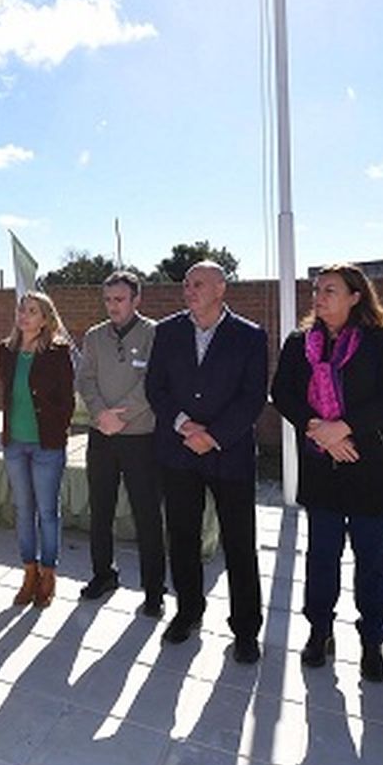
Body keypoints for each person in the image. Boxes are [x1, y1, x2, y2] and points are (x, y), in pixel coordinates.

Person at [272, 264, 383, 682]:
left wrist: (344, 429)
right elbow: (283, 394)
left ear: (355, 296)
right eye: (317, 289)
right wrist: (320, 430)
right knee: (322, 557)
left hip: (371, 465)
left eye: (330, 290)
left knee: (371, 558)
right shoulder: (300, 343)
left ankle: (372, 640)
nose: (319, 296)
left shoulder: (380, 342)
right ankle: (320, 631)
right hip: (321, 467)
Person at [146, 261, 269, 665]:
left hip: (229, 454)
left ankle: (246, 629)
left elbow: (252, 397)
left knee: (239, 544)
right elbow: (155, 388)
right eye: (186, 283)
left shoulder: (249, 336)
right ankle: (188, 611)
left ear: (221, 289)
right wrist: (184, 426)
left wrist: (213, 436)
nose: (189, 289)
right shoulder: (167, 332)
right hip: (178, 452)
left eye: (198, 283)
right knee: (181, 536)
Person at [76, 270, 165, 616]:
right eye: (108, 299)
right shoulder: (95, 336)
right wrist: (101, 415)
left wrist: (121, 416)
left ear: (136, 300)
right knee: (101, 510)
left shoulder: (153, 334)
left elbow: (153, 382)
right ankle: (103, 574)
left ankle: (154, 590)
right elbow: (86, 379)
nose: (113, 306)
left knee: (147, 516)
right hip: (102, 437)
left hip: (141, 439)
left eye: (120, 299)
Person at [0, 291, 75, 609]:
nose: (24, 315)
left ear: (45, 319)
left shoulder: (58, 352)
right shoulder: (5, 350)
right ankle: (28, 572)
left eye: (32, 311)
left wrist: (56, 430)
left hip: (46, 446)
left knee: (47, 513)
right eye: (22, 310)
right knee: (23, 511)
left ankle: (48, 573)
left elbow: (67, 401)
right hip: (14, 444)